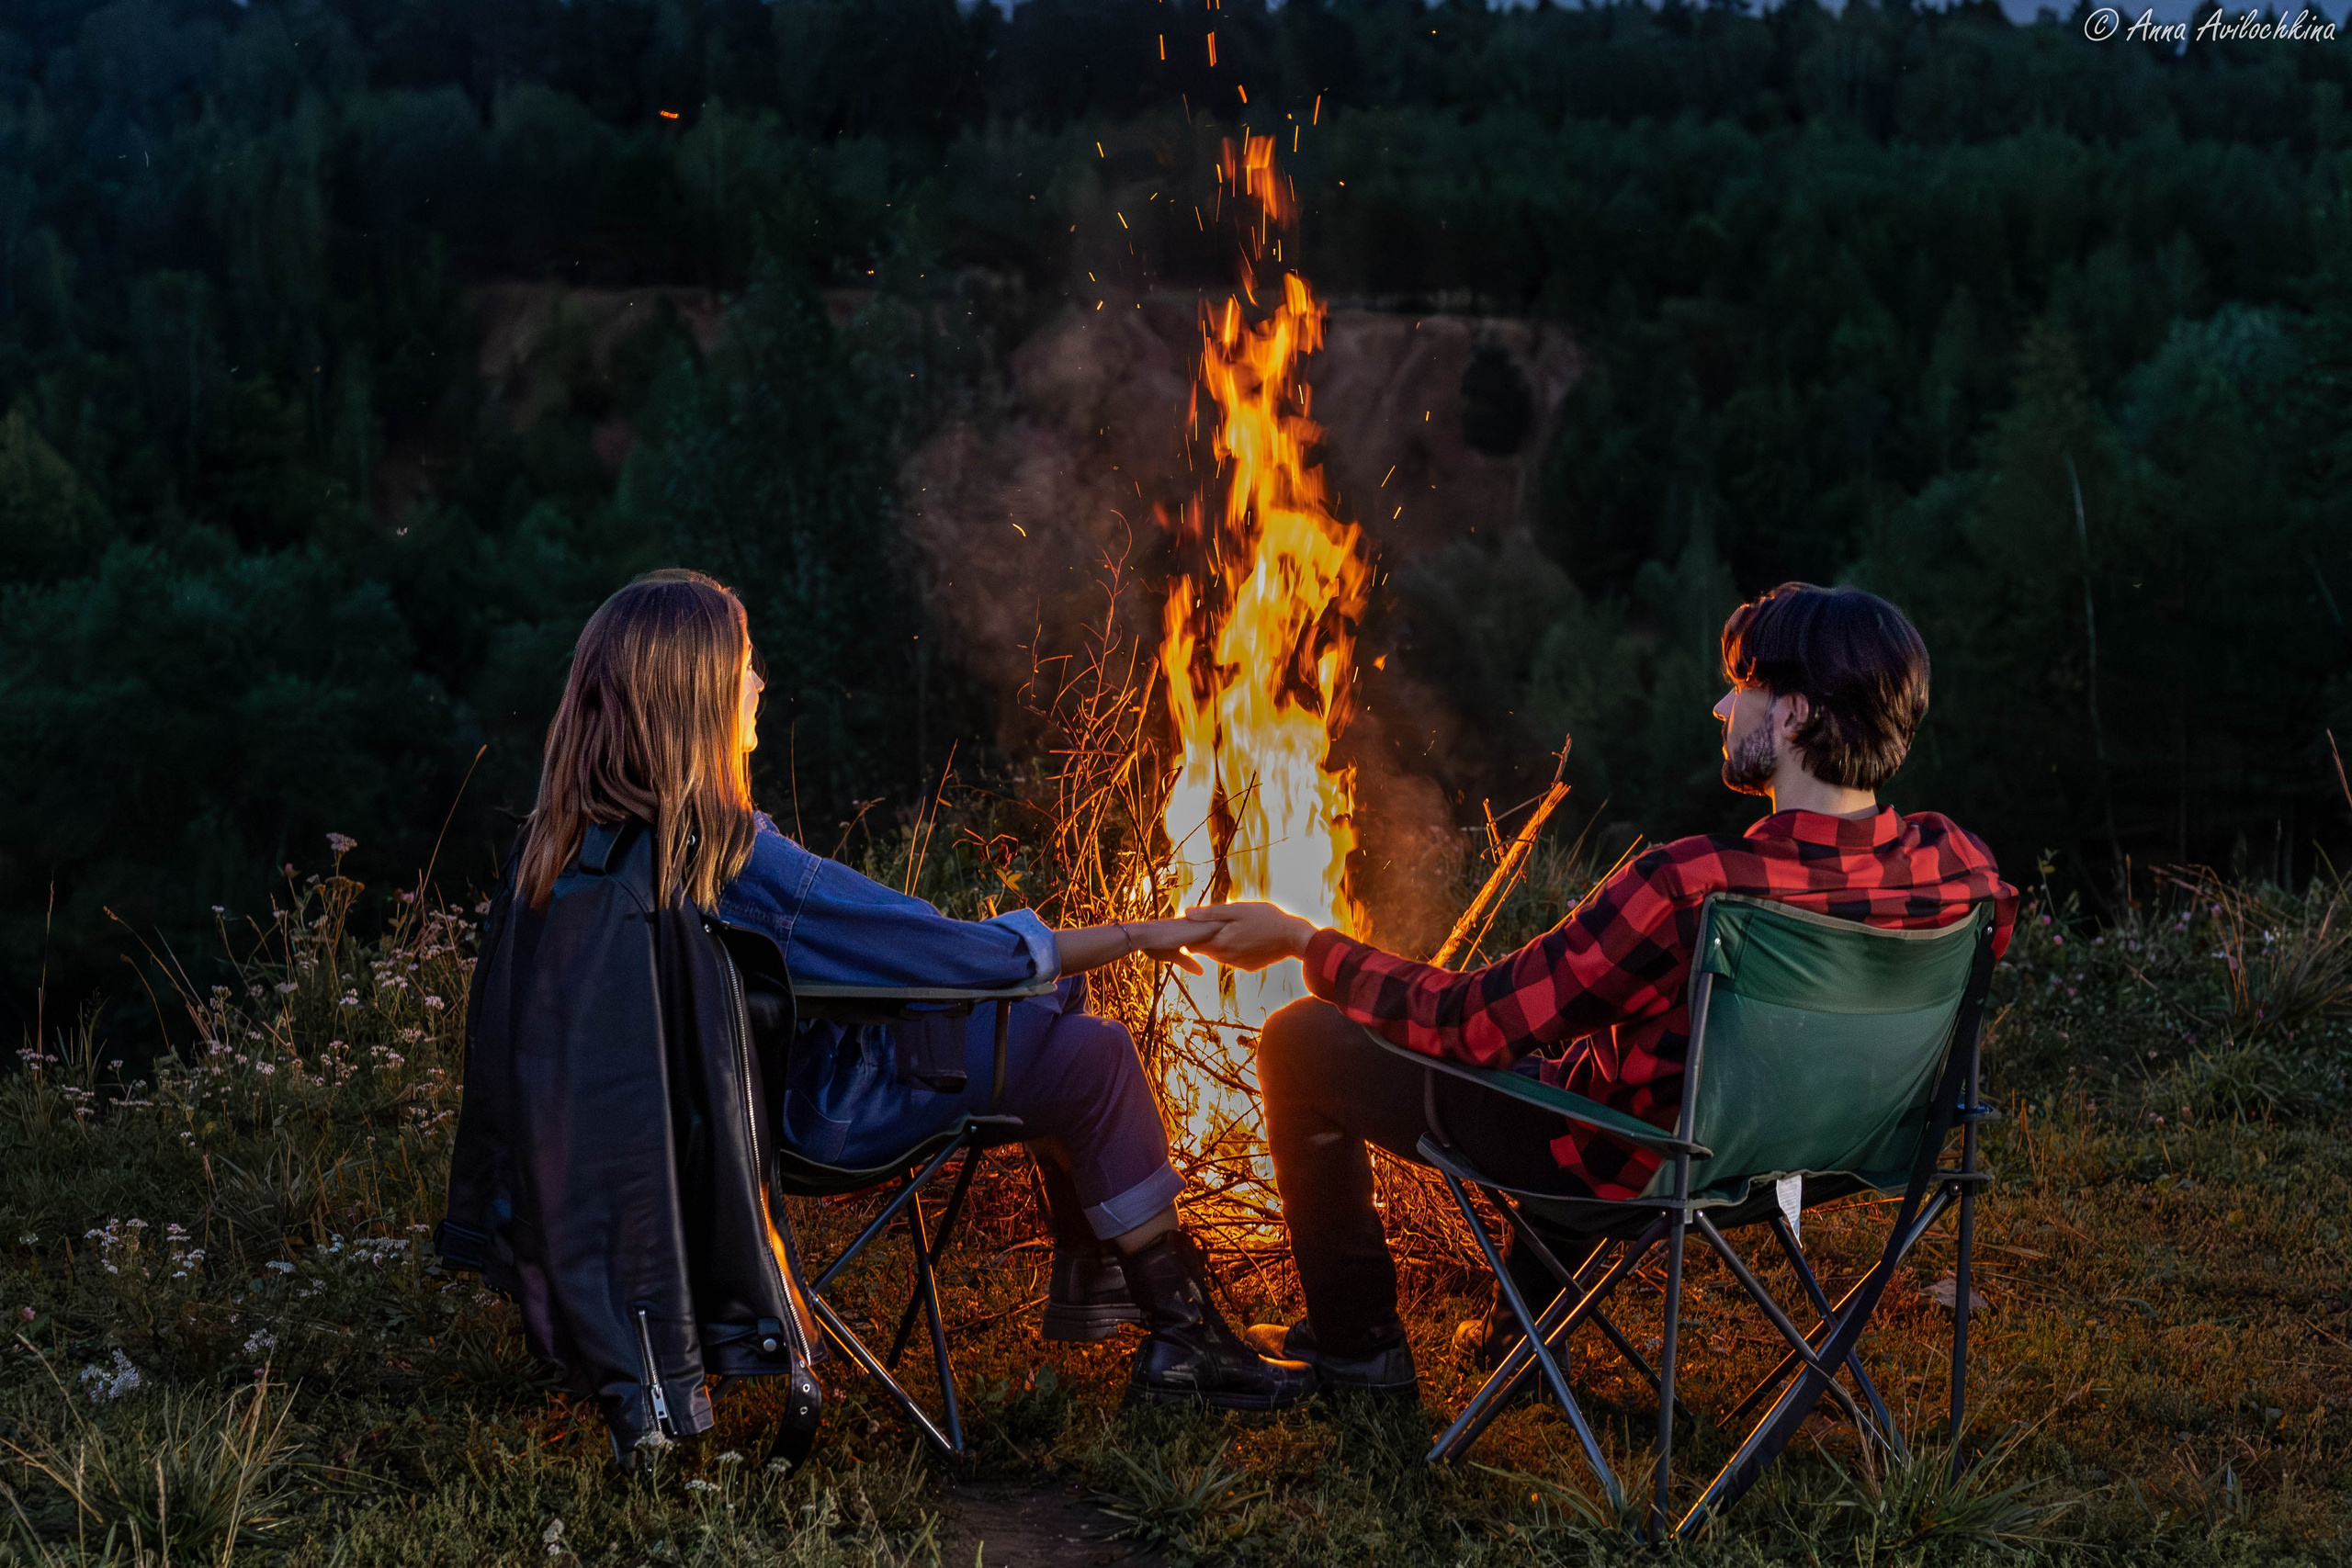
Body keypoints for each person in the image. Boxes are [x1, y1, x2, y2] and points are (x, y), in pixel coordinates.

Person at [1182, 582, 2018, 1402]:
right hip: (1839, 1153)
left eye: (1746, 687)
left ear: (1795, 715)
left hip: (1650, 1170)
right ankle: (1521, 1345)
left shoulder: (1695, 884)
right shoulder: (1966, 871)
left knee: (1302, 1040)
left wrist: (1303, 941)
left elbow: (1472, 1024)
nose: (1724, 708)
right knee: (1590, 1076)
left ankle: (1355, 1353)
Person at [515, 569, 1310, 1412]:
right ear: (696, 693)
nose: (759, 683)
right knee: (1096, 1052)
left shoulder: (579, 850)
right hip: (815, 1110)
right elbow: (946, 951)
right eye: (745, 665)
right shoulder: (736, 857)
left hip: (710, 1125)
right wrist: (1145, 934)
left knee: (1064, 1027)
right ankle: (1175, 1331)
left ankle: (1129, 1297)